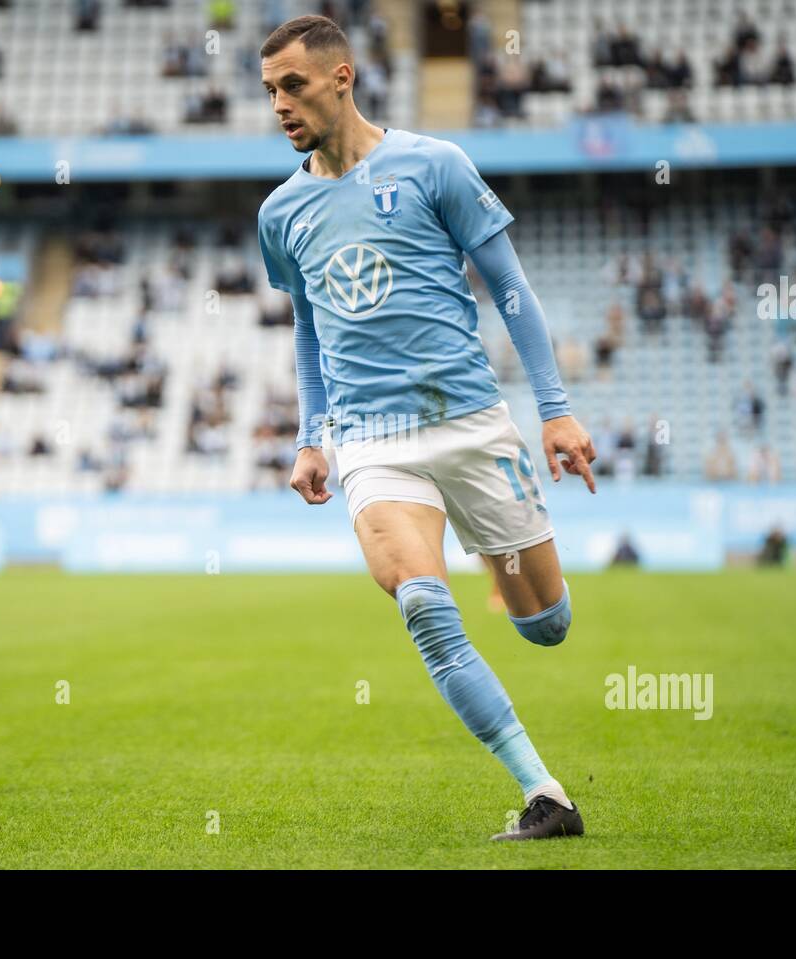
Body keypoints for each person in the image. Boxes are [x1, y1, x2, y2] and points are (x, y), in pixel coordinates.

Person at [258, 15, 595, 842]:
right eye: (269, 91)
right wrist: (313, 434)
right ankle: (545, 792)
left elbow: (509, 288)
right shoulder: (280, 212)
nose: (279, 105)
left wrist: (554, 408)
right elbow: (306, 326)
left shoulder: (434, 164)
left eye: (293, 85)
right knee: (421, 603)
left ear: (342, 78)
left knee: (546, 625)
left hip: (473, 425)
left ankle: (500, 564)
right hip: (372, 442)